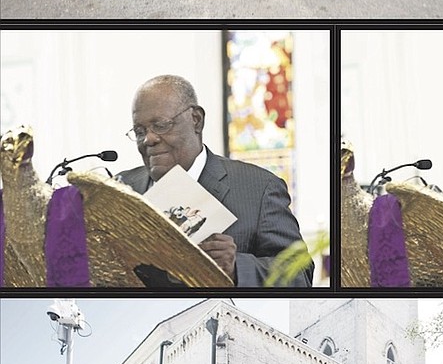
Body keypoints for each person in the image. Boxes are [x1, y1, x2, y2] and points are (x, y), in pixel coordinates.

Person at [117, 74, 313, 288]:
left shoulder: (259, 189)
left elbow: (300, 274)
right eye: (139, 131)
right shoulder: (122, 188)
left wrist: (237, 267)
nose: (149, 139)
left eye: (161, 125)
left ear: (196, 120)